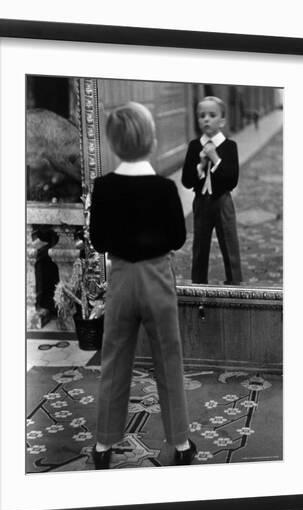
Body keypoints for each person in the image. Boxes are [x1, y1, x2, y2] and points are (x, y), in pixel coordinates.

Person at [89, 102, 197, 469]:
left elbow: (99, 240)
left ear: (113, 144)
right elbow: (179, 238)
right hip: (157, 278)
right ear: (151, 141)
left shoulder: (102, 187)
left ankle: (103, 446)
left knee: (114, 359)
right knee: (169, 358)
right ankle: (181, 443)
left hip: (120, 280)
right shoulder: (165, 188)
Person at [182, 96, 242, 285]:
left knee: (229, 245)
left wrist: (215, 159)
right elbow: (186, 181)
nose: (206, 119)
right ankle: (199, 285)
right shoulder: (194, 146)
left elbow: (231, 181)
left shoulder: (230, 147)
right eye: (202, 116)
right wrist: (199, 166)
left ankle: (234, 284)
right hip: (201, 202)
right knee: (199, 247)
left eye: (212, 115)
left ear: (222, 121)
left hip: (223, 202)